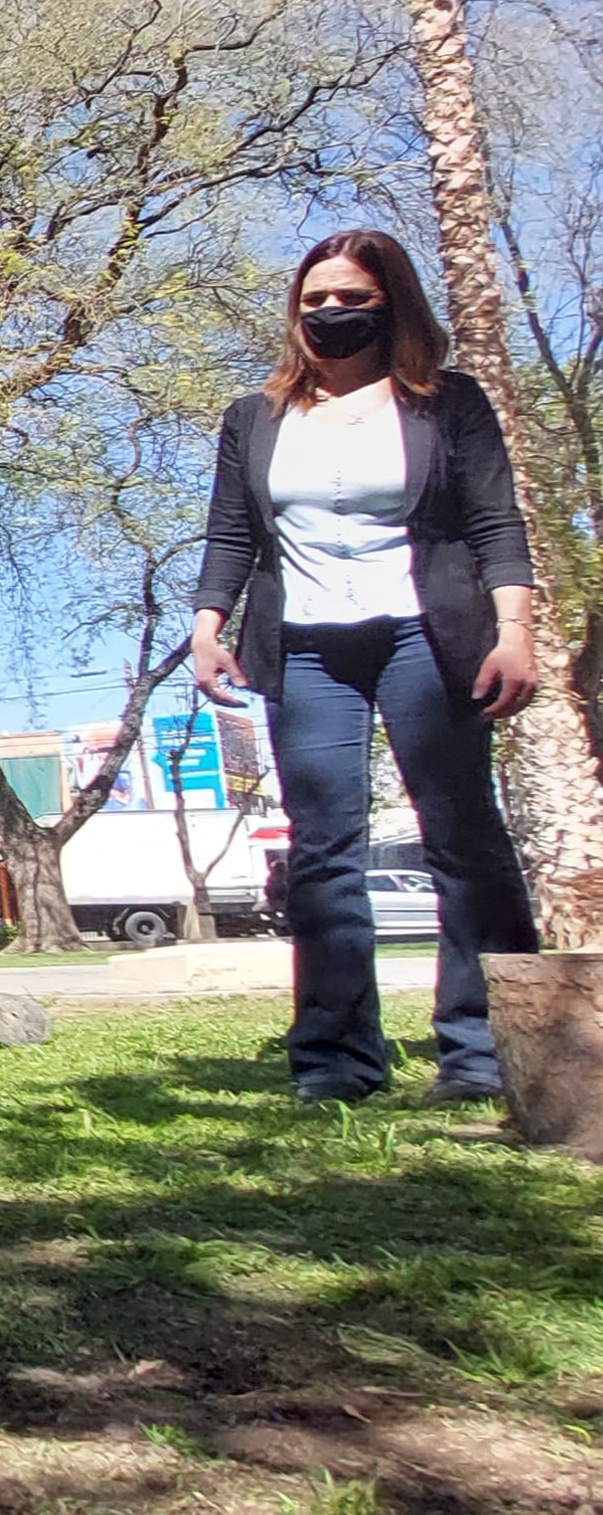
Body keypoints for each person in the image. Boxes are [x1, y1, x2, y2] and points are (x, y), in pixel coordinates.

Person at [190, 228, 539, 1105]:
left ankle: (483, 1050)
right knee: (322, 851)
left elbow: (495, 522)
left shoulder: (445, 403)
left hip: (428, 632)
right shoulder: (255, 416)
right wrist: (207, 625)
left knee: (461, 838)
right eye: (316, 301)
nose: (333, 313)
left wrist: (514, 631)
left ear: (392, 305)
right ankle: (337, 1059)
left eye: (352, 298)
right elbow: (232, 531)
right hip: (306, 646)